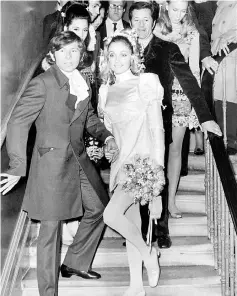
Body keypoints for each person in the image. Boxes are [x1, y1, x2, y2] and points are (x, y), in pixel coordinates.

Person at [0, 31, 119, 296]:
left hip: (79, 160)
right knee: (50, 233)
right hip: (51, 166)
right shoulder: (42, 83)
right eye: (63, 51)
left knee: (101, 208)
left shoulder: (81, 83)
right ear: (53, 55)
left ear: (82, 53)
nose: (69, 57)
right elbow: (18, 122)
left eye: (74, 51)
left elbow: (88, 120)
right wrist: (18, 166)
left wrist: (107, 136)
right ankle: (48, 293)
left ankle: (75, 262)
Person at [129, 1, 222, 248]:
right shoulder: (123, 46)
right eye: (136, 20)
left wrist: (206, 117)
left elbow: (188, 79)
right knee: (134, 174)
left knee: (157, 170)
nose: (141, 25)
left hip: (160, 119)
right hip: (132, 123)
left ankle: (162, 229)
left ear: (153, 20)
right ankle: (137, 230)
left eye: (146, 20)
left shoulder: (167, 48)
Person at [98, 30, 164, 296]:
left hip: (142, 162)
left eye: (123, 54)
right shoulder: (104, 91)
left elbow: (157, 129)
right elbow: (110, 132)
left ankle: (149, 253)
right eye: (112, 55)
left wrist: (159, 174)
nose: (117, 60)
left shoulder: (145, 82)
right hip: (120, 164)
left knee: (110, 215)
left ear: (133, 56)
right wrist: (107, 145)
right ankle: (136, 285)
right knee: (131, 225)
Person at [154, 0, 204, 217]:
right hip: (156, 94)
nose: (179, 14)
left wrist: (196, 105)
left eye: (183, 11)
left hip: (181, 96)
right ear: (165, 6)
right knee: (156, 149)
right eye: (175, 9)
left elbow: (193, 70)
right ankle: (154, 199)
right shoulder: (154, 27)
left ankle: (171, 201)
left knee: (175, 150)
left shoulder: (192, 33)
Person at [211, 1, 237, 155]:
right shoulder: (220, 4)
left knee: (230, 97)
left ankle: (231, 139)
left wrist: (227, 36)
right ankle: (222, 137)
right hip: (218, 56)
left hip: (231, 57)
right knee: (219, 97)